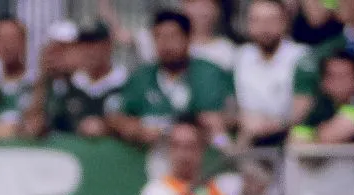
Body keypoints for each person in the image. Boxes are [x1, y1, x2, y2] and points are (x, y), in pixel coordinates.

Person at [110, 9, 234, 150]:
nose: (165, 44)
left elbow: (226, 118)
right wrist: (133, 128)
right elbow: (117, 116)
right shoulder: (141, 76)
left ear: (188, 38)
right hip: (147, 157)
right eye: (158, 37)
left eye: (172, 36)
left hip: (201, 157)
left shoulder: (209, 73)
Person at [234, 0, 314, 148]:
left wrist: (274, 124)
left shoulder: (301, 56)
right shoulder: (239, 57)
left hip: (289, 136)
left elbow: (305, 106)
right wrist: (241, 119)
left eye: (271, 20)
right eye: (257, 20)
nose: (264, 27)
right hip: (249, 137)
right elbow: (229, 104)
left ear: (284, 22)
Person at [47, 21, 127, 138]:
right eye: (85, 44)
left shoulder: (126, 83)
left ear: (109, 45)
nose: (90, 51)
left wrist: (108, 126)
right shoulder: (70, 86)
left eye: (96, 44)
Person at [291, 51, 354, 142]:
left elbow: (328, 137)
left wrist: (315, 137)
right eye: (332, 76)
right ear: (322, 82)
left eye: (343, 76)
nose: (338, 83)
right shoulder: (319, 107)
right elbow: (295, 141)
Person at [0, 15, 33, 113]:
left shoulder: (36, 85)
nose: (7, 45)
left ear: (24, 42)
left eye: (12, 39)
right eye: (1, 39)